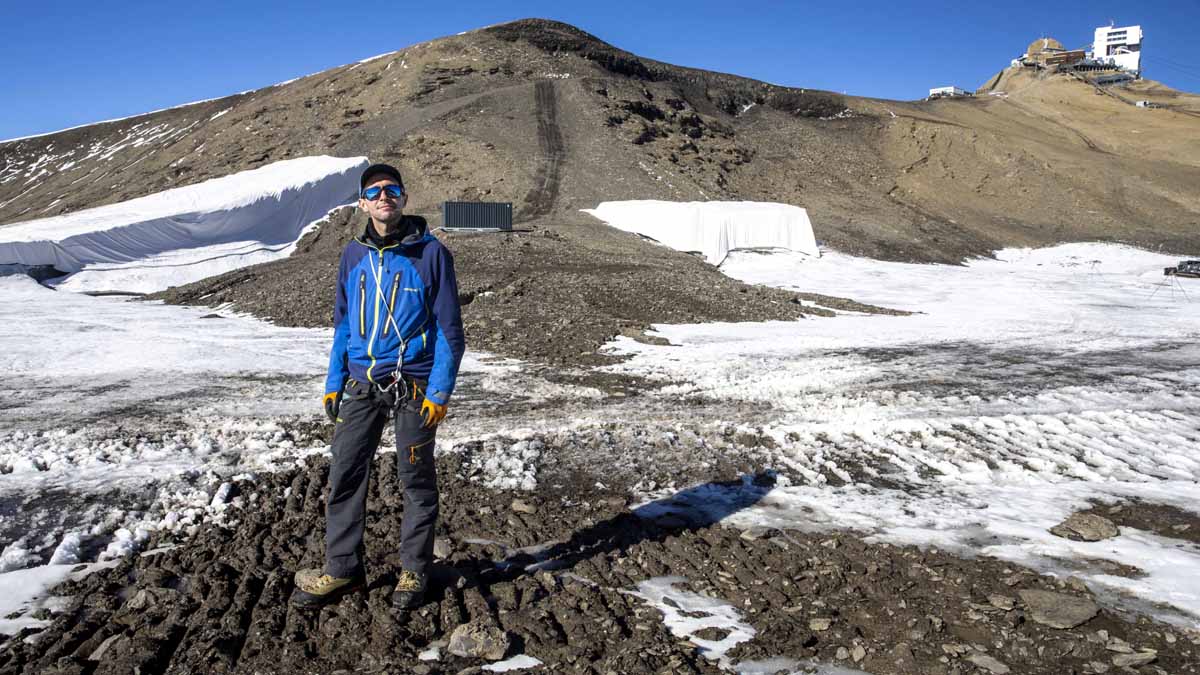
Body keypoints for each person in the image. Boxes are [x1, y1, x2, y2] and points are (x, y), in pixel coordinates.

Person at [291, 163, 465, 611]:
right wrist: (334, 382)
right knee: (345, 472)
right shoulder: (352, 255)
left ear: (404, 198)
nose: (384, 196)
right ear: (363, 203)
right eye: (375, 191)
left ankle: (414, 569)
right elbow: (344, 324)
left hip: (414, 384)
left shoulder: (431, 254)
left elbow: (450, 330)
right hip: (362, 383)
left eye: (393, 189)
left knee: (415, 479)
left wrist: (439, 392)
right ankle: (343, 568)